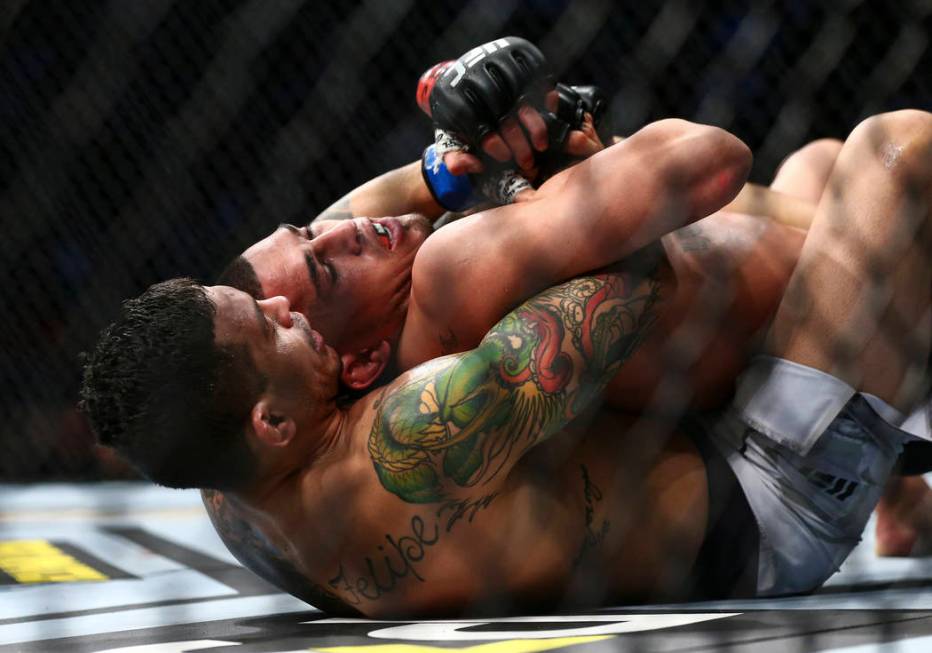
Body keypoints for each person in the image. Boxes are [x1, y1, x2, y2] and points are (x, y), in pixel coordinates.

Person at [82, 109, 932, 617]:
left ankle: (908, 496)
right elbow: (632, 279)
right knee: (897, 152)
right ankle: (898, 434)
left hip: (684, 460)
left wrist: (443, 174)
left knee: (817, 171)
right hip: (770, 500)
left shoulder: (232, 484)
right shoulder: (421, 428)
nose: (282, 311)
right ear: (272, 419)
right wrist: (552, 163)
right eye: (272, 324)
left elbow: (316, 271)